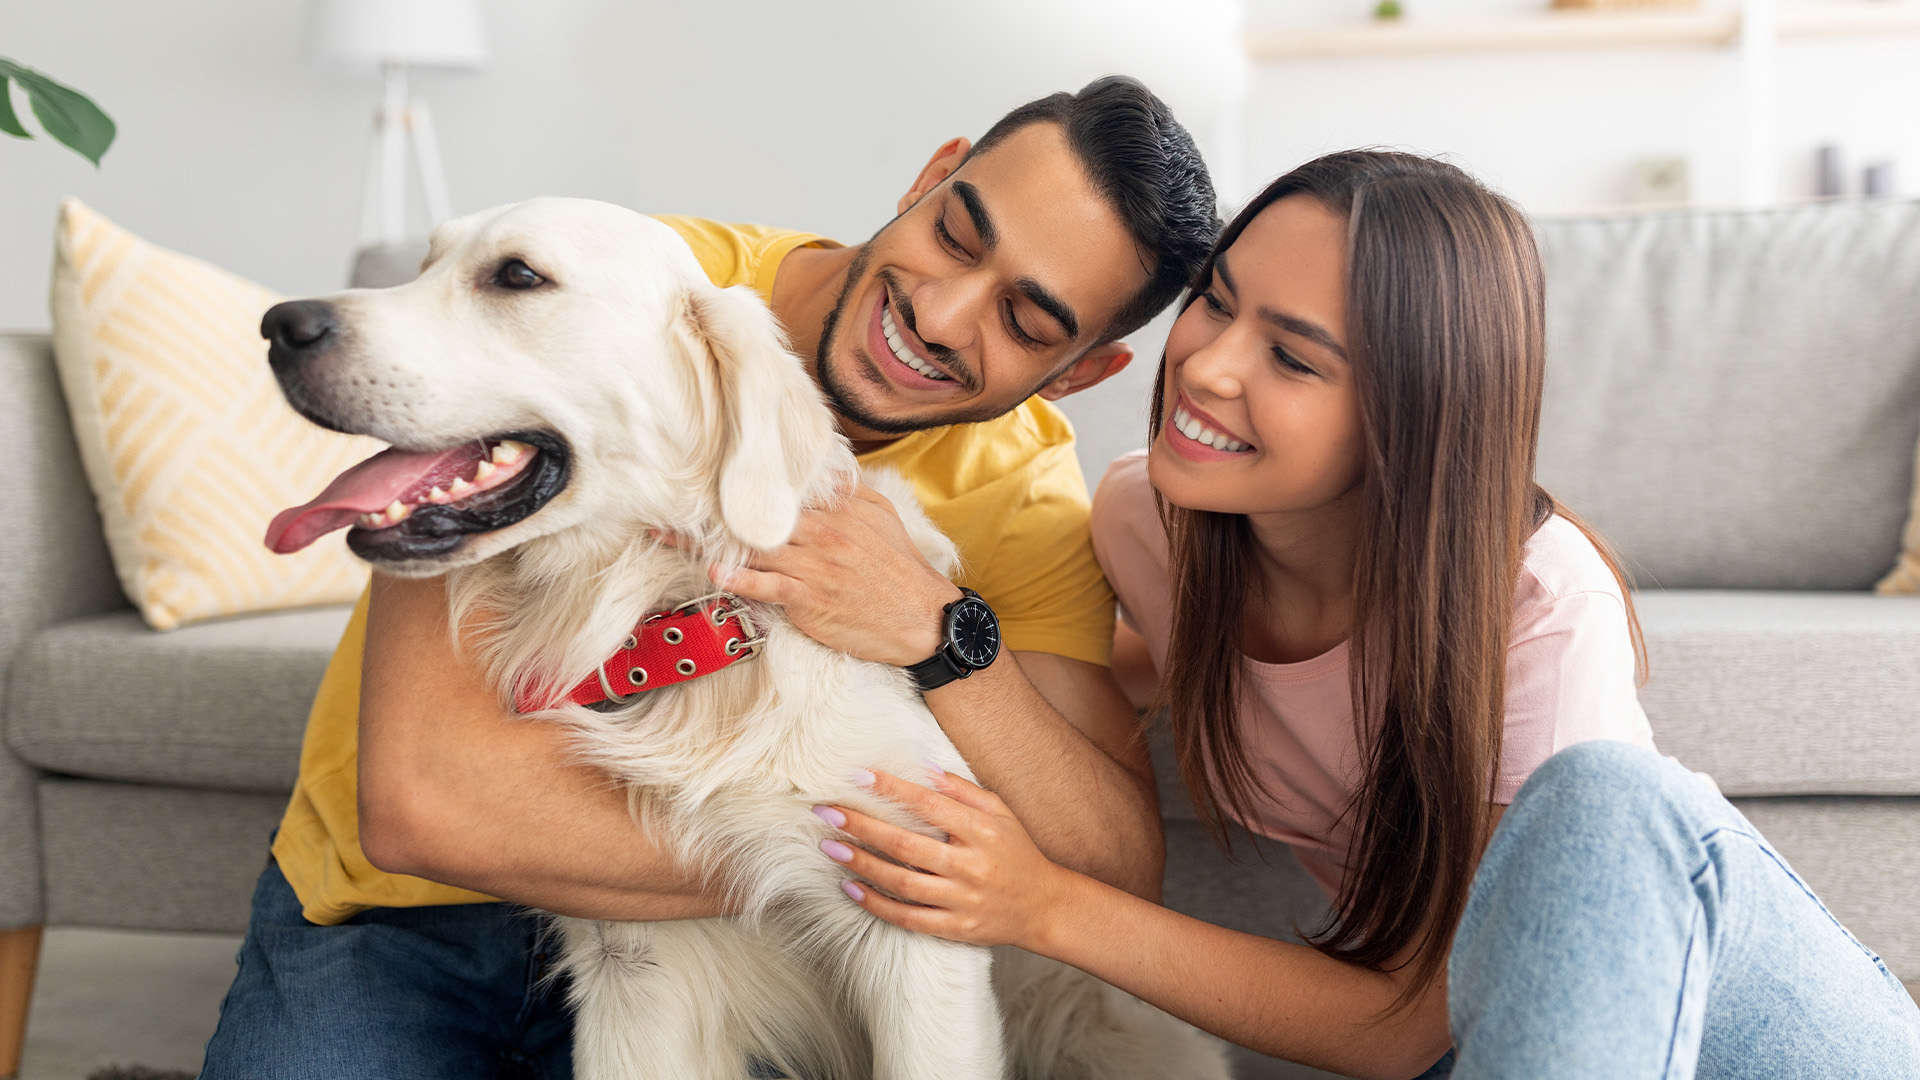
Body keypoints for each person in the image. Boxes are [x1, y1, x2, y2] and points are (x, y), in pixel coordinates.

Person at [810, 151, 1920, 1079]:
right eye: (1217, 303)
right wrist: (925, 618)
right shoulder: (1151, 525)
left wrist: (1042, 903)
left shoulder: (1538, 603)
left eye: (1292, 357)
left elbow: (1408, 1025)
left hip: (1742, 1037)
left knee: (1608, 798)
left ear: (1409, 412)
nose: (1208, 369)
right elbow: (1085, 683)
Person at [201, 76, 1220, 1077]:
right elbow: (424, 810)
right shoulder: (619, 283)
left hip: (739, 950)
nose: (945, 314)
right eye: (958, 233)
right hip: (400, 913)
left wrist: (941, 630)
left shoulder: (1023, 491)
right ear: (932, 174)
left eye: (1029, 322)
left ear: (1078, 373)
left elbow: (1103, 872)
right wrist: (874, 859)